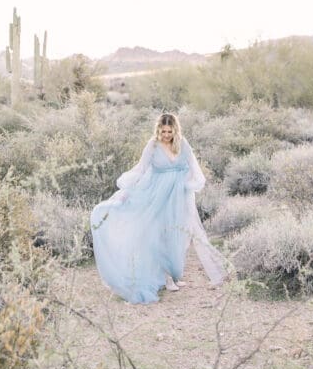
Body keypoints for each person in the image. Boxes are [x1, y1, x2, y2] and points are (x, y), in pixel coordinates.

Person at [90, 112, 226, 304]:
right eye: (163, 131)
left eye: (169, 131)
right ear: (158, 130)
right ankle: (166, 278)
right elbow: (141, 168)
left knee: (178, 234)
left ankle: (173, 274)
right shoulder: (153, 145)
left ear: (175, 130)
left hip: (179, 196)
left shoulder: (183, 144)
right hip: (156, 196)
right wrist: (127, 191)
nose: (166, 135)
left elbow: (194, 167)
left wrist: (192, 184)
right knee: (160, 234)